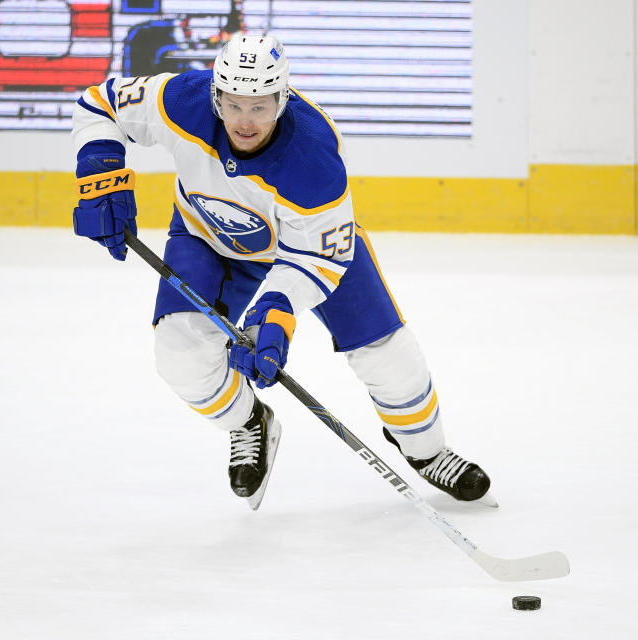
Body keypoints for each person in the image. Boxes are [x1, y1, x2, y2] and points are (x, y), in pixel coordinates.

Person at [71, 32, 492, 508]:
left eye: (260, 106)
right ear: (215, 95)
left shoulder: (314, 153)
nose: (245, 121)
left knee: (387, 355)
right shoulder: (181, 100)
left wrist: (277, 311)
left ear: (282, 97)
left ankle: (426, 451)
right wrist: (98, 167)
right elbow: (98, 104)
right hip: (208, 237)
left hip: (309, 252)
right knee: (180, 353)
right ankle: (250, 422)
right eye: (233, 105)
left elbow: (320, 256)